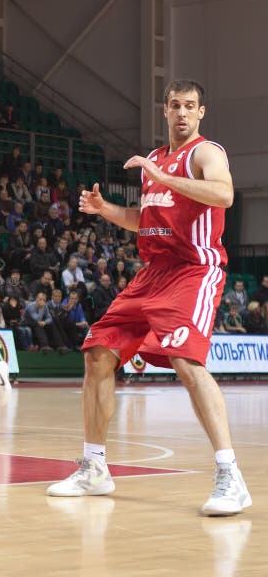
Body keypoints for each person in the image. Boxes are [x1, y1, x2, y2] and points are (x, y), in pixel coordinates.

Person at [47, 79, 252, 517]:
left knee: (186, 362)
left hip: (193, 272)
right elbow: (146, 219)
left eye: (190, 106)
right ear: (164, 111)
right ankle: (95, 467)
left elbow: (224, 193)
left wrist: (166, 177)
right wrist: (106, 210)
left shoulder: (205, 153)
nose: (181, 112)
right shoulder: (154, 160)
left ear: (201, 113)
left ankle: (230, 476)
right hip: (152, 274)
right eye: (175, 105)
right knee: (98, 352)